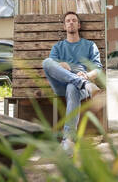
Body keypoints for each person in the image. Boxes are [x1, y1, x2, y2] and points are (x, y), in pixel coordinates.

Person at [43, 11, 102, 154]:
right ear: (64, 26)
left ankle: (68, 140)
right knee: (47, 62)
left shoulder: (89, 45)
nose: (71, 22)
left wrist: (87, 76)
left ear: (79, 25)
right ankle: (81, 83)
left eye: (74, 20)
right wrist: (62, 65)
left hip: (79, 85)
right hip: (61, 83)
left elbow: (98, 69)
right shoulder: (58, 47)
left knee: (72, 87)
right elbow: (52, 67)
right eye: (68, 21)